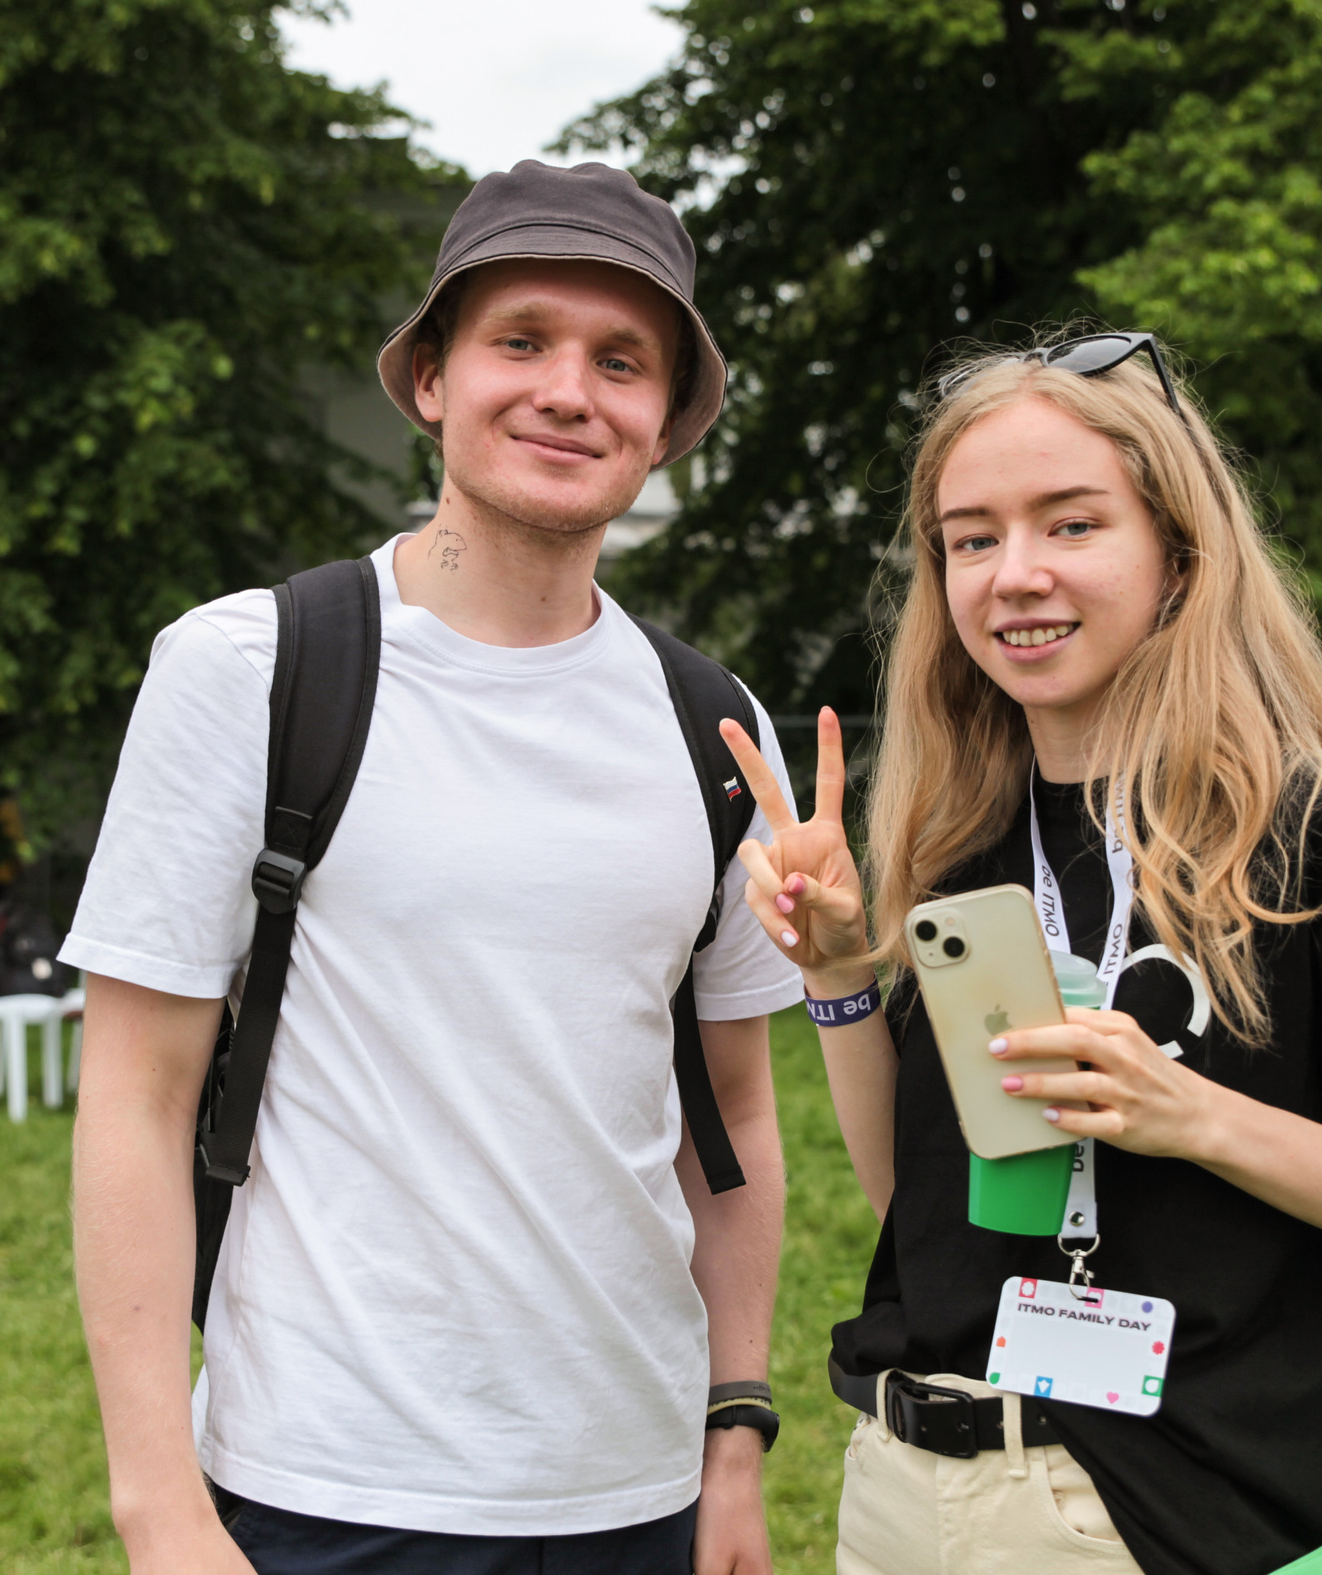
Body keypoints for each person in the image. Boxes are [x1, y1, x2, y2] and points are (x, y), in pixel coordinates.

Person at [65, 160, 797, 1575]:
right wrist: (158, 1502)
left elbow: (741, 1124)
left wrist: (732, 1440)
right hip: (317, 1484)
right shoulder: (251, 667)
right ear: (431, 378)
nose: (568, 390)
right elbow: (135, 1096)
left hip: (633, 1494)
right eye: (521, 339)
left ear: (666, 420)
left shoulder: (716, 728)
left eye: (621, 359)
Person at [714, 333, 1322, 1575]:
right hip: (901, 1489)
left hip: (1144, 1516)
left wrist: (1188, 1115)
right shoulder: (964, 845)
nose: (1014, 576)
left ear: (1178, 555)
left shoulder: (1310, 839)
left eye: (1071, 525)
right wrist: (835, 975)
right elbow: (916, 1203)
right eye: (972, 537)